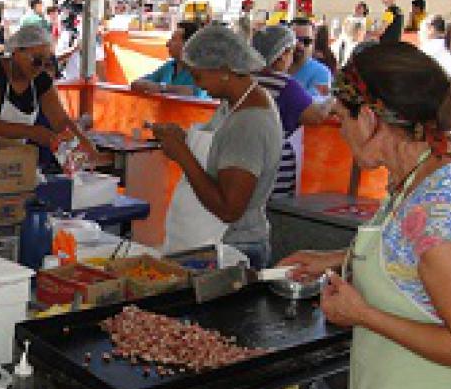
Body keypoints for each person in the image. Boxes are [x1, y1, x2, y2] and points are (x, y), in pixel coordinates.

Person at [278, 42, 451, 389]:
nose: (339, 131)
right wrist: (335, 259)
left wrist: (363, 315)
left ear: (373, 119)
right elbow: (404, 260)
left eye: (342, 118)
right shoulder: (421, 176)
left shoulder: (432, 215)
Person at [153, 24, 281, 268]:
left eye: (198, 76)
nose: (197, 83)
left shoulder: (248, 122)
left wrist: (183, 155)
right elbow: (223, 152)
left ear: (223, 71)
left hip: (234, 248)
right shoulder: (233, 103)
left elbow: (229, 209)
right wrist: (183, 139)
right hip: (219, 243)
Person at [0, 24, 95, 170]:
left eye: (47, 62)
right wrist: (32, 132)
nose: (41, 68)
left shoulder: (41, 80)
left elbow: (61, 121)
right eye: (37, 61)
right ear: (17, 52)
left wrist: (85, 145)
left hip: (3, 155)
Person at [252, 25, 334, 198]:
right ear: (282, 55)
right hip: (273, 173)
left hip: (243, 166)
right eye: (291, 52)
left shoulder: (245, 78)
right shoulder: (284, 85)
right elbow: (316, 116)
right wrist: (332, 101)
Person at [131, 21, 206, 97]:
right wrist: (155, 87)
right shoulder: (169, 66)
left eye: (173, 39)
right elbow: (135, 83)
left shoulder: (203, 69)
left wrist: (161, 88)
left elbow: (196, 93)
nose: (167, 44)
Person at [288, 17, 332, 97]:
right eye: (295, 40)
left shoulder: (321, 72)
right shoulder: (275, 66)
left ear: (313, 42)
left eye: (306, 41)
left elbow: (313, 104)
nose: (300, 45)